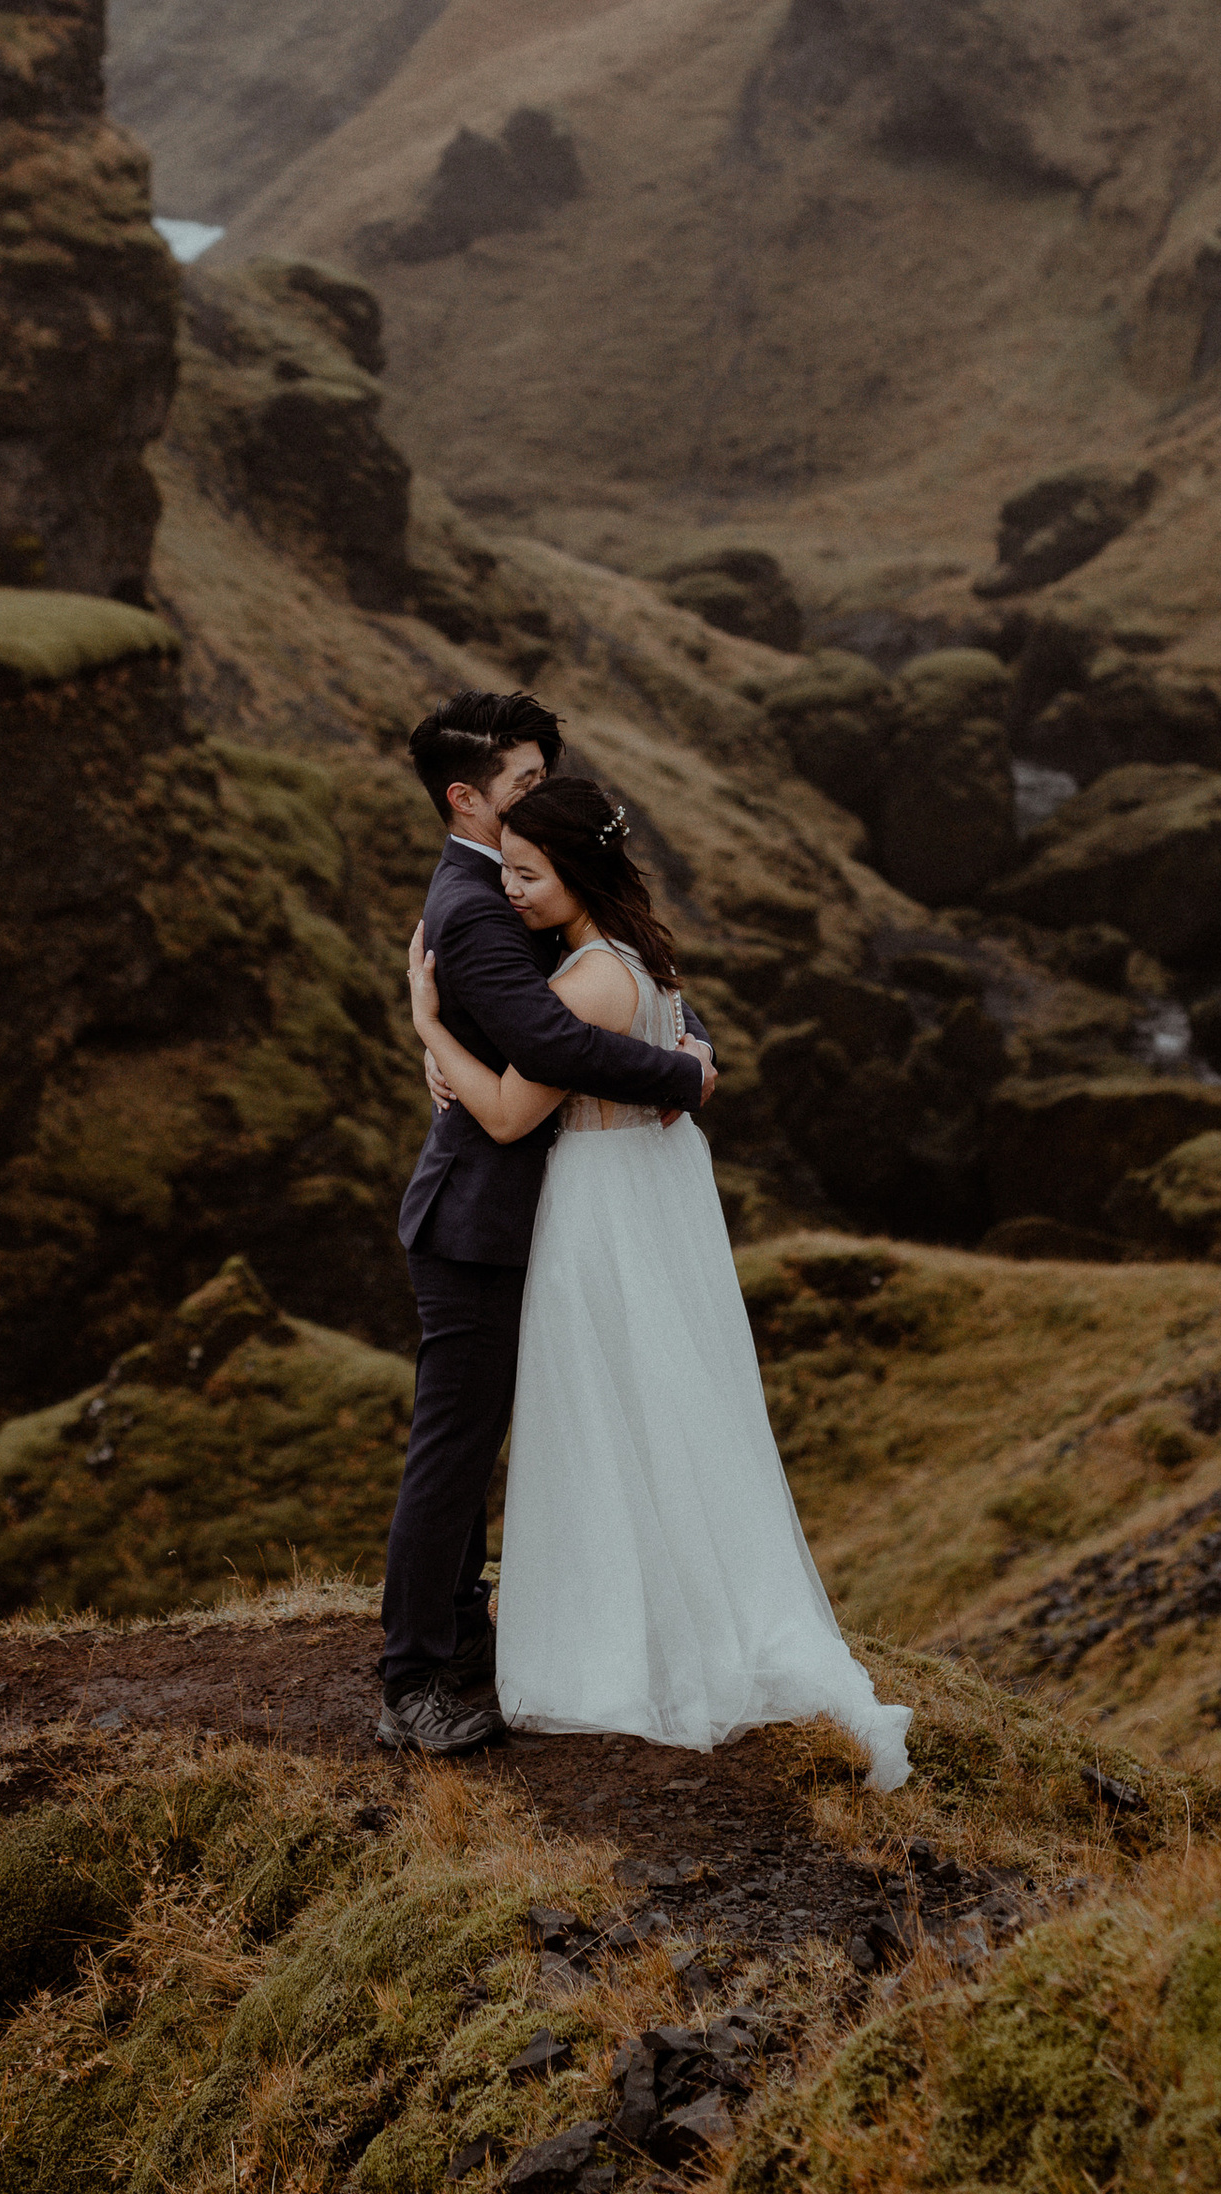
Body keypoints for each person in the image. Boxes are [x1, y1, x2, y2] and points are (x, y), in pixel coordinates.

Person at [406, 769, 912, 1781]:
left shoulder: (589, 981)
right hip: (632, 1199)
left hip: (594, 1214)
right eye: (502, 872)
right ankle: (664, 1611)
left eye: (527, 875)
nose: (510, 893)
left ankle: (622, 1644)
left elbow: (506, 1114)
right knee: (650, 1415)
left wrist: (427, 1025)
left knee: (597, 1419)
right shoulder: (641, 959)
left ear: (578, 869)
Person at [376, 689, 720, 1757]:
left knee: (493, 1442)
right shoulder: (478, 907)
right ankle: (409, 1682)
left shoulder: (531, 895)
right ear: (465, 799)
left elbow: (628, 969)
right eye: (524, 783)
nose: (543, 796)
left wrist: (690, 1041)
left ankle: (462, 1636)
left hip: (545, 1219)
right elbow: (552, 1040)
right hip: (479, 1219)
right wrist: (682, 1077)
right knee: (453, 1449)